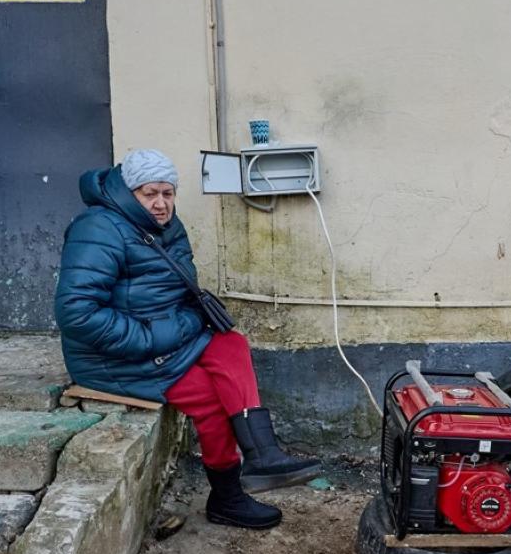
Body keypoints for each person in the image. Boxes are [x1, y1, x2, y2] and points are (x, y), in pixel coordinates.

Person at [55, 149, 321, 530]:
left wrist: (185, 323)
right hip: (114, 357)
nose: (161, 203)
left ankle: (263, 454)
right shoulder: (98, 228)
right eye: (151, 194)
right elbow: (76, 314)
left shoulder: (162, 224)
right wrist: (157, 336)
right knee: (212, 402)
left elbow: (169, 292)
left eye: (168, 193)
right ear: (130, 193)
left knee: (231, 343)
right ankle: (228, 498)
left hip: (164, 339)